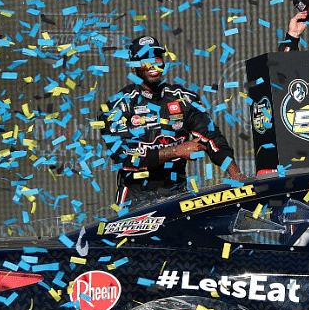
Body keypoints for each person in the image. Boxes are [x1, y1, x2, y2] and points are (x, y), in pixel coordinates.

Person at [101, 35, 245, 206]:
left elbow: (211, 136)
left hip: (177, 194)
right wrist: (176, 151)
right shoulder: (116, 106)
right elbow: (124, 157)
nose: (152, 63)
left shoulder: (184, 98)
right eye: (144, 58)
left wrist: (236, 175)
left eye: (156, 56)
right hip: (134, 199)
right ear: (133, 67)